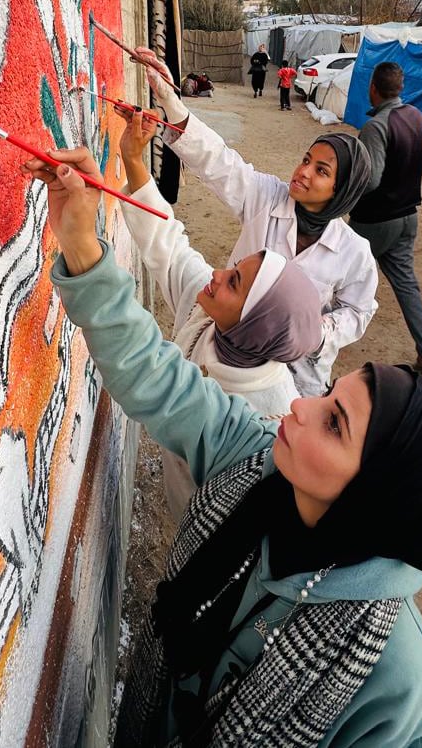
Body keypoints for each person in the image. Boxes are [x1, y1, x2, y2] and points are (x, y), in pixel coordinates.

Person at [22, 146, 422, 747]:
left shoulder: (399, 690)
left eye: (334, 425)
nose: (298, 406)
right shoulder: (256, 457)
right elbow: (154, 375)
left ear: (378, 495)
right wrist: (81, 244)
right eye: (329, 398)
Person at [116, 106, 326, 520]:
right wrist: (133, 161)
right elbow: (170, 247)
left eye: (234, 282)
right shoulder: (210, 317)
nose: (216, 274)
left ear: (256, 324)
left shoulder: (271, 417)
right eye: (233, 269)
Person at [133, 47, 378, 397]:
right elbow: (218, 161)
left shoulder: (354, 253)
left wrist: (320, 332)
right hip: (234, 361)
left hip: (299, 379)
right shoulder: (267, 197)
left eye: (321, 171)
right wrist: (170, 100)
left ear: (342, 191)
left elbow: (359, 311)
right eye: (306, 160)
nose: (303, 172)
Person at [349, 62, 422, 373]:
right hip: (408, 217)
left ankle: (305, 337)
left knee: (336, 271)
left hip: (376, 220)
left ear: (372, 88)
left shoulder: (376, 127)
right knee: (406, 284)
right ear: (400, 89)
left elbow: (371, 179)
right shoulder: (417, 117)